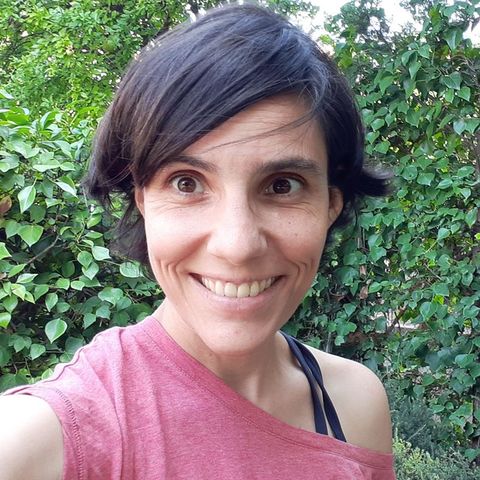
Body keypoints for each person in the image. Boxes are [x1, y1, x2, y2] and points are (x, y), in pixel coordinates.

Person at [0, 4, 395, 479]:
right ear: (142, 199)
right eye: (186, 183)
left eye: (282, 185)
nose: (237, 246)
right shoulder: (42, 439)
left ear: (330, 205)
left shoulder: (354, 404)